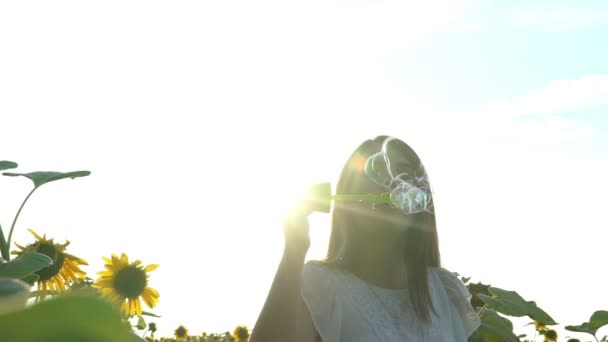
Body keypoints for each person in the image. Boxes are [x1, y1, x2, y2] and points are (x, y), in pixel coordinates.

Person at [250, 135, 481, 342]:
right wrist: (294, 249)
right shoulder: (321, 285)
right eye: (373, 175)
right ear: (348, 200)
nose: (390, 185)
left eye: (403, 174)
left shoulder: (445, 291)